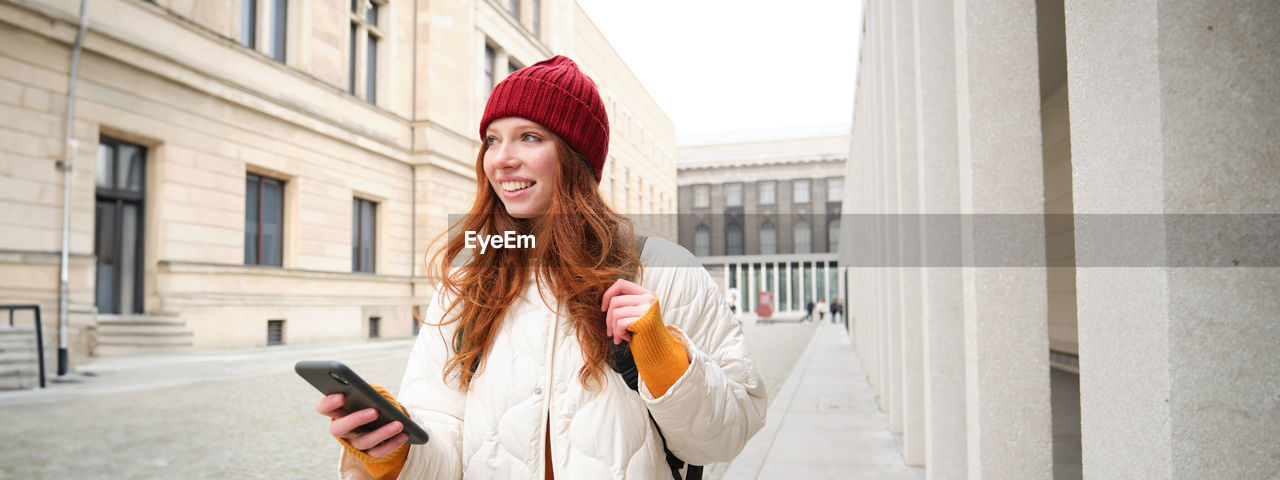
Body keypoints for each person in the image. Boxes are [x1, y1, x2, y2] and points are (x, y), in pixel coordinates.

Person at [314, 56, 767, 480]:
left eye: (529, 137)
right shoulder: (468, 280)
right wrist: (397, 451)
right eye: (493, 139)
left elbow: (721, 439)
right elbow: (446, 444)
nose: (502, 158)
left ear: (575, 158)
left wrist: (664, 358)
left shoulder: (664, 269)